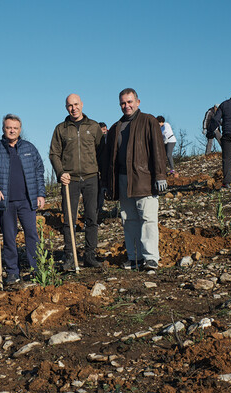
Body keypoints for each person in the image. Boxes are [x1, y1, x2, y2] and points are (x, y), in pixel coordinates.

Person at [101, 88, 168, 270]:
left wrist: (160, 175)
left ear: (138, 102)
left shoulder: (149, 121)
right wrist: (106, 183)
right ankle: (135, 257)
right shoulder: (116, 128)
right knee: (128, 219)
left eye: (130, 102)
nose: (126, 106)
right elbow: (109, 159)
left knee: (147, 218)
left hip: (144, 179)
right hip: (122, 180)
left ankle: (150, 258)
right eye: (123, 103)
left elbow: (158, 149)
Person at [0, 114, 46, 284]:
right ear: (3, 129)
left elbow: (39, 170)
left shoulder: (29, 148)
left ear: (20, 130)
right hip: (5, 202)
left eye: (15, 128)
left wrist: (41, 193)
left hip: (27, 200)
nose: (12, 130)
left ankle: (36, 269)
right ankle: (12, 272)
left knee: (32, 235)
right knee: (9, 237)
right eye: (9, 127)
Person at [49, 94, 103, 270]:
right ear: (66, 108)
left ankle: (90, 256)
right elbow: (54, 153)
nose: (73, 108)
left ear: (82, 104)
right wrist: (60, 172)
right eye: (70, 105)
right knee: (69, 220)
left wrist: (102, 176)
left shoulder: (93, 127)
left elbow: (101, 152)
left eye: (76, 104)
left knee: (92, 218)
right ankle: (70, 257)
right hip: (69, 180)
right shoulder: (61, 129)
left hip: (91, 178)